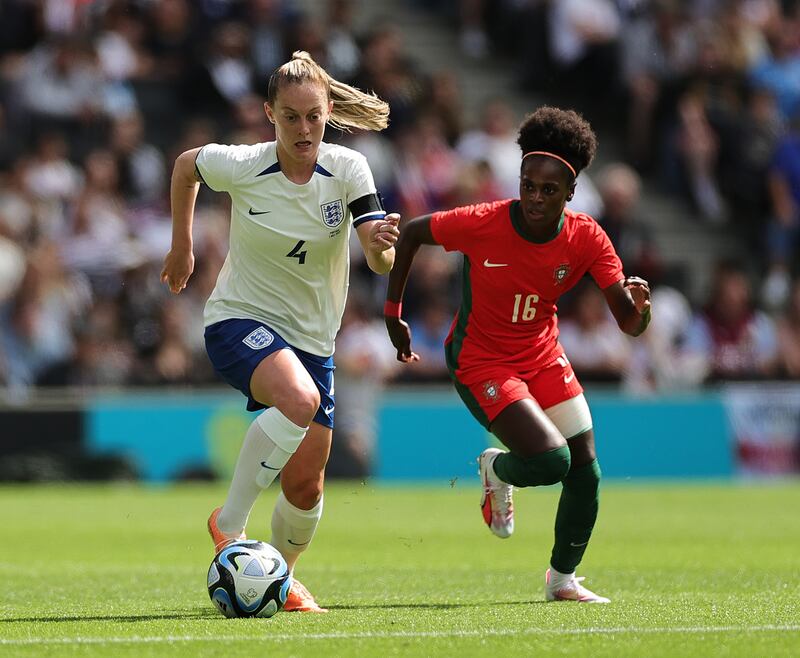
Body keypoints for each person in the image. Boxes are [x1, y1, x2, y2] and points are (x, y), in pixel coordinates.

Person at [161, 51, 398, 613]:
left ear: (329, 114)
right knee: (297, 398)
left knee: (306, 488)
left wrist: (384, 249)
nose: (303, 129)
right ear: (270, 114)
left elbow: (377, 257)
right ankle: (230, 522)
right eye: (290, 117)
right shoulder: (243, 163)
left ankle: (278, 580)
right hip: (239, 320)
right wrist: (182, 245)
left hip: (313, 341)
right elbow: (184, 167)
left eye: (313, 116)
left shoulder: (349, 170)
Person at [384, 106, 651, 603]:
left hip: (542, 354)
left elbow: (630, 324)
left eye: (549, 191)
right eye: (528, 184)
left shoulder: (587, 236)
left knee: (586, 469)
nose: (534, 197)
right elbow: (415, 232)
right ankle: (496, 470)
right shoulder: (483, 222)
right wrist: (392, 310)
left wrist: (641, 312)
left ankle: (562, 580)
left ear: (570, 195)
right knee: (552, 461)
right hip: (480, 359)